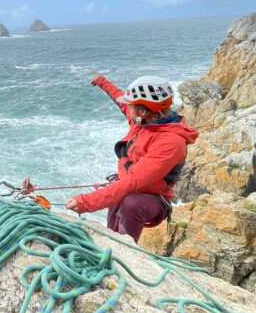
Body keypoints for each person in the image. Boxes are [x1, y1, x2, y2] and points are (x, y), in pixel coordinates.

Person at [65, 74, 198, 243]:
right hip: (128, 185)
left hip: (152, 198)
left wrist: (86, 202)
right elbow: (120, 101)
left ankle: (126, 249)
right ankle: (110, 244)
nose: (129, 109)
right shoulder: (143, 121)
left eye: (132, 106)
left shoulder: (170, 142)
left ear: (143, 111)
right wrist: (102, 82)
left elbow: (134, 182)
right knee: (116, 212)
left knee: (130, 203)